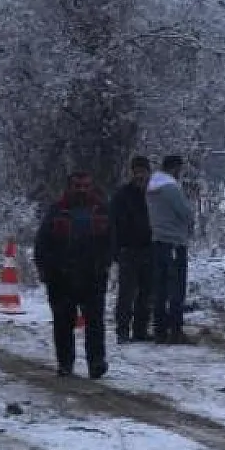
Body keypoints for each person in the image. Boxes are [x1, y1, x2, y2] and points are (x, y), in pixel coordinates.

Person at [33, 169, 113, 378]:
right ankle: (65, 363)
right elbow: (42, 242)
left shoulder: (101, 210)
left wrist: (105, 263)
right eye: (77, 186)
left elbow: (112, 241)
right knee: (63, 322)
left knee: (95, 322)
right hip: (61, 277)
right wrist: (45, 268)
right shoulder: (56, 211)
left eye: (86, 186)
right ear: (69, 187)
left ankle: (96, 362)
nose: (82, 190)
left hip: (93, 276)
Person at [146, 154, 195, 342]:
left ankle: (159, 330)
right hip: (175, 241)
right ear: (175, 168)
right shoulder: (171, 188)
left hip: (158, 240)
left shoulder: (152, 188)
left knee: (160, 288)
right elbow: (185, 213)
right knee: (176, 288)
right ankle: (175, 330)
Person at [110, 155, 154, 343]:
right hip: (128, 250)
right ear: (132, 172)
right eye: (137, 171)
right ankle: (122, 330)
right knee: (126, 293)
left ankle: (140, 330)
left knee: (146, 293)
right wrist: (115, 250)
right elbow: (112, 225)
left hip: (149, 249)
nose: (140, 175)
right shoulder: (122, 196)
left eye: (143, 171)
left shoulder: (154, 194)